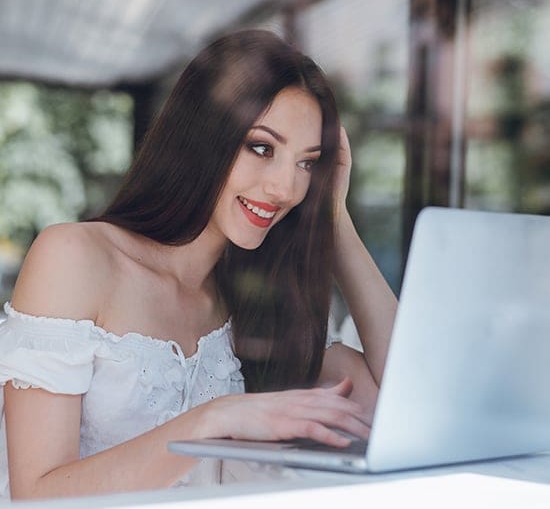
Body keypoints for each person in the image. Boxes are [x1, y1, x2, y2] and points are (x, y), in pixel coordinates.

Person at [0, 29, 397, 500]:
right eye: (262, 148)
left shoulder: (261, 304)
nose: (285, 189)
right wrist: (212, 419)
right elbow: (36, 494)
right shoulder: (76, 258)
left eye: (307, 163)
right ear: (203, 138)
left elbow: (404, 404)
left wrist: (335, 219)